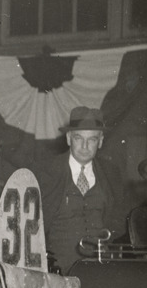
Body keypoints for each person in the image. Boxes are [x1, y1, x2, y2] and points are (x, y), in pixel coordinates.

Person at [39, 106, 132, 273]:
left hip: (100, 269)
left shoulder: (111, 173)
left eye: (92, 140)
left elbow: (119, 218)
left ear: (101, 141)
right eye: (78, 138)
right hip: (57, 270)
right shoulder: (46, 171)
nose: (84, 146)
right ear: (69, 138)